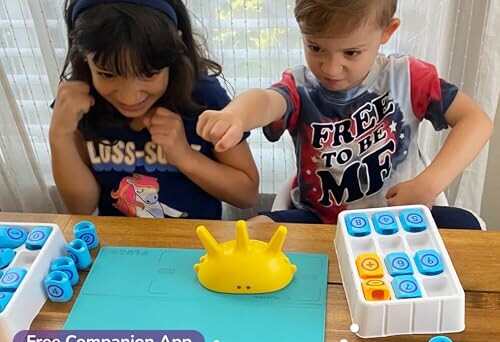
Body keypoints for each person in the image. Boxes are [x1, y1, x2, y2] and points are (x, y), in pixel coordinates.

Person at [197, 0, 493, 228]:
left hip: (397, 219)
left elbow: (476, 121)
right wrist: (236, 115)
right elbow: (266, 101)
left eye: (350, 53)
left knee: (469, 229)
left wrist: (429, 184)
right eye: (315, 47)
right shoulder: (300, 87)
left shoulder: (408, 78)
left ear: (387, 32)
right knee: (256, 230)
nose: (330, 68)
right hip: (321, 222)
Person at [49, 0, 259, 219]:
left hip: (197, 242)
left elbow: (246, 194)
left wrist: (184, 156)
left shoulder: (203, 97)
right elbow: (81, 209)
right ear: (83, 55)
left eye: (148, 73)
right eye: (107, 74)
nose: (129, 97)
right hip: (118, 243)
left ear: (175, 47)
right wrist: (59, 136)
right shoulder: (77, 103)